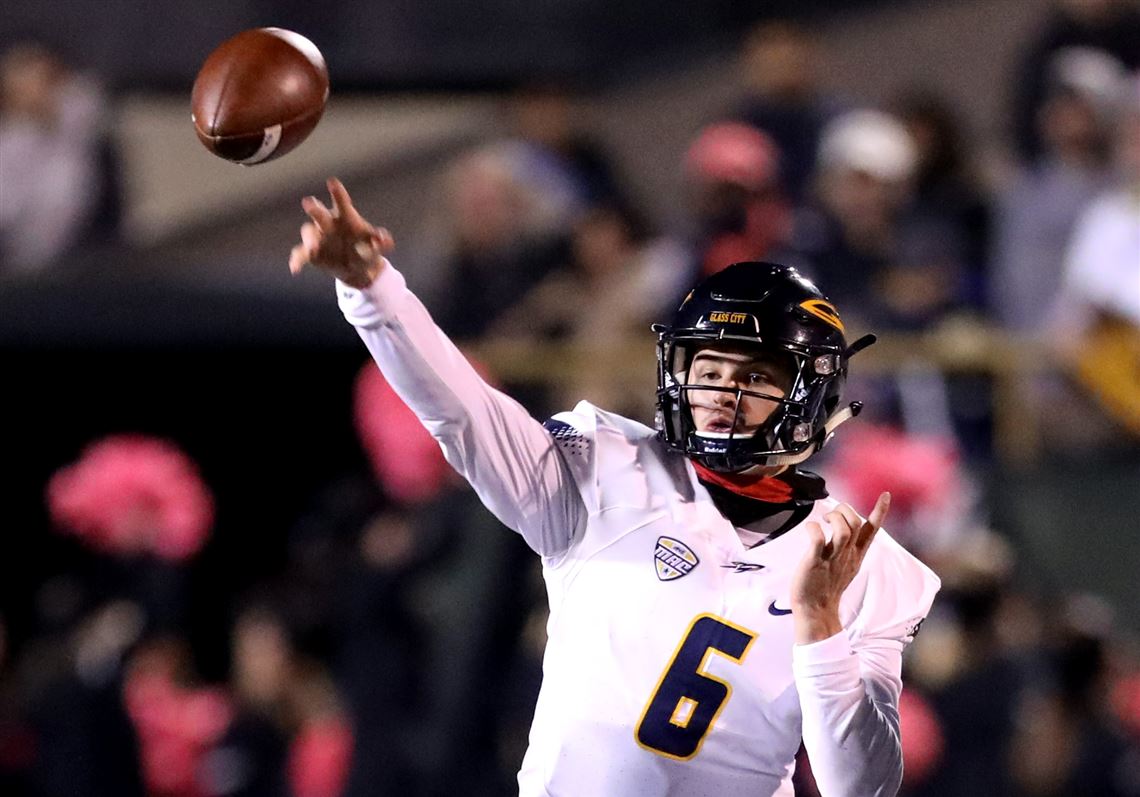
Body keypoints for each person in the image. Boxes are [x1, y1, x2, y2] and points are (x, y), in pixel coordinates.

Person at [287, 178, 941, 796]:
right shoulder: (605, 468)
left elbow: (863, 784)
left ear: (811, 395)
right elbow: (464, 413)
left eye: (756, 376)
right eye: (709, 369)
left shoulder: (856, 557)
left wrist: (821, 625)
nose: (724, 393)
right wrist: (372, 289)